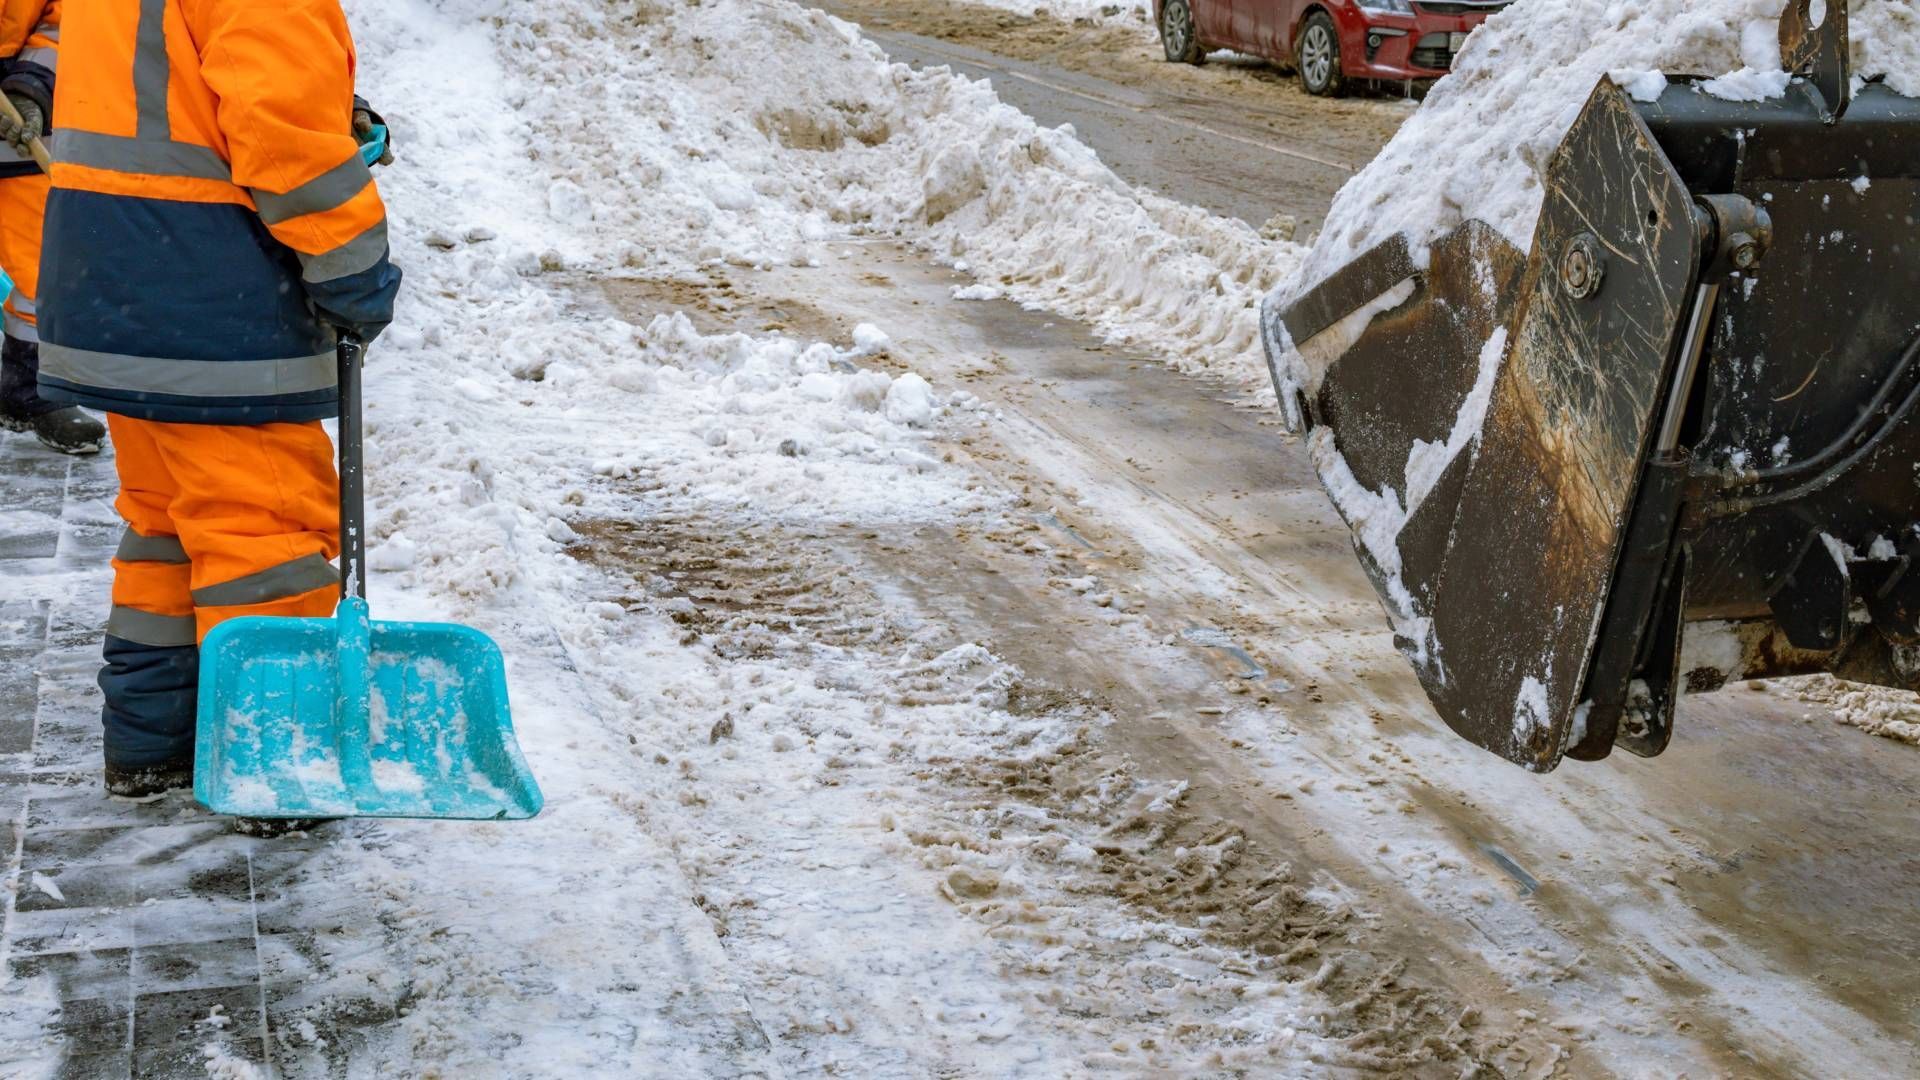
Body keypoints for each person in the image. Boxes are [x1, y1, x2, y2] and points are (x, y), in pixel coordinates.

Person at [34, 0, 401, 801]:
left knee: (168, 523)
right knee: (262, 531)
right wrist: (355, 270)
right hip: (209, 293)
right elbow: (286, 143)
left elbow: (174, 93)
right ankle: (279, 769)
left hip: (117, 282)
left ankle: (154, 747)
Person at [0, 0, 106, 454]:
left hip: (21, 118)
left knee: (42, 268)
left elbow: (71, 17)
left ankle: (29, 390)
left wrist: (33, 83)